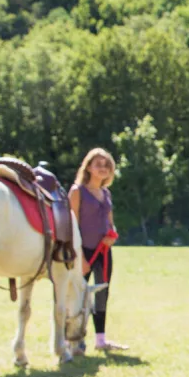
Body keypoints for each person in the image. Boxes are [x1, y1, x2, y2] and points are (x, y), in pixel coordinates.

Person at [69, 147, 127, 352]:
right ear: (89, 167)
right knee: (78, 296)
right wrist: (79, 259)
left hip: (104, 252)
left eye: (106, 165)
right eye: (98, 164)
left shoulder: (106, 193)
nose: (103, 168)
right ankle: (72, 341)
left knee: (102, 293)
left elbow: (110, 223)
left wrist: (112, 235)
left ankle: (101, 341)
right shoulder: (78, 191)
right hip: (83, 251)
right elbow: (71, 225)